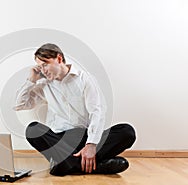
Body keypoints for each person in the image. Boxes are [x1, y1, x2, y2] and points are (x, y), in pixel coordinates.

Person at [14, 43, 136, 176]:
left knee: (127, 131)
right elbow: (20, 105)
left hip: (84, 137)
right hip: (59, 141)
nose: (43, 70)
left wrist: (91, 145)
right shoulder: (44, 84)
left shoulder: (84, 79)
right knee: (33, 129)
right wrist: (31, 80)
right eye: (40, 66)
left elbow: (97, 112)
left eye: (45, 64)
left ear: (59, 59)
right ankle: (97, 166)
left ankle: (67, 164)